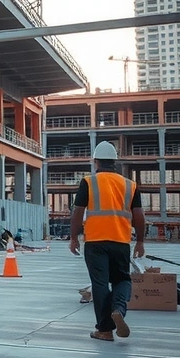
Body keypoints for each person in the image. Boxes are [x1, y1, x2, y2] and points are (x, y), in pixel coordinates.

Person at [69, 140, 145, 342]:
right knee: (122, 279)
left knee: (100, 283)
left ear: (96, 162)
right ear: (115, 162)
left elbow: (78, 211)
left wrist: (74, 238)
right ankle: (119, 309)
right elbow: (139, 215)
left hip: (95, 242)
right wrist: (140, 242)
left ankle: (105, 330)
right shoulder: (130, 185)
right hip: (121, 241)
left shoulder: (88, 182)